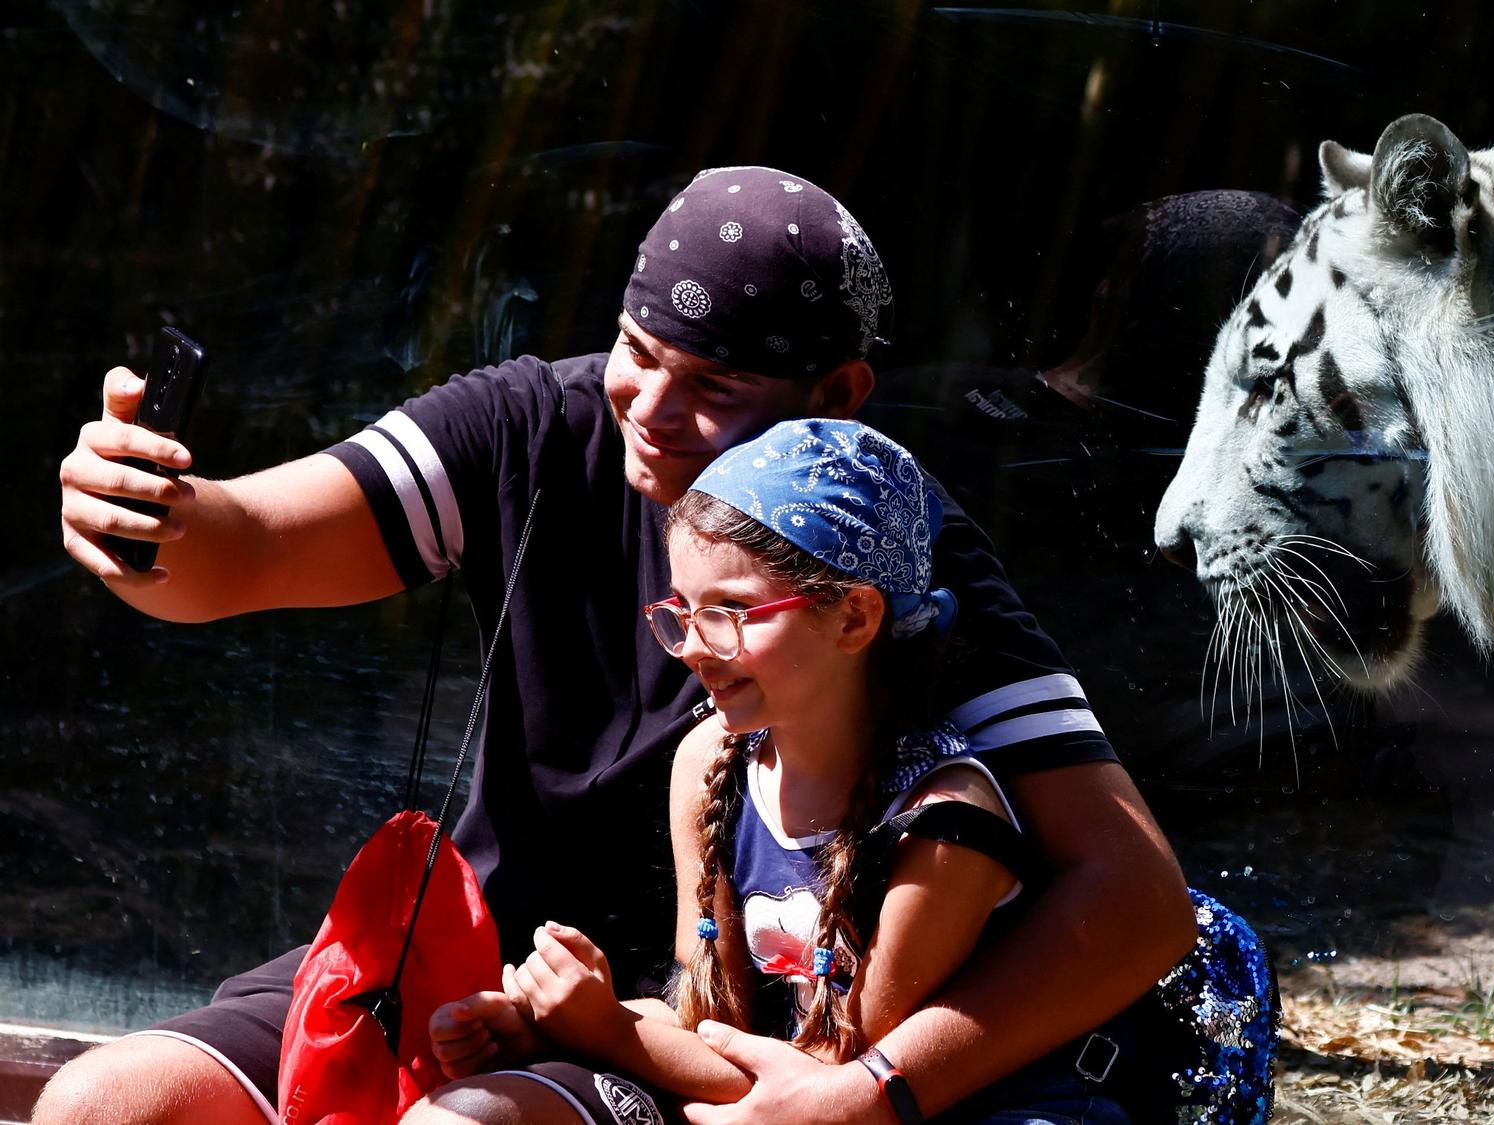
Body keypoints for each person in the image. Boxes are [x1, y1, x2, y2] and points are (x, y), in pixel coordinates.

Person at [43, 167, 1194, 1125]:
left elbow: (1135, 896)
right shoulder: (531, 425)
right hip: (456, 954)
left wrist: (876, 1090)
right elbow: (245, 552)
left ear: (837, 396)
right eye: (635, 350)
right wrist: (152, 523)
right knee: (99, 1103)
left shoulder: (884, 550)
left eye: (713, 385)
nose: (645, 406)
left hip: (660, 1031)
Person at [427, 418, 1137, 1123]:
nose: (692, 647)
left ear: (855, 617)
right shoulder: (710, 763)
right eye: (681, 611)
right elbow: (711, 1014)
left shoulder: (945, 824)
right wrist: (556, 1018)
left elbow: (822, 1087)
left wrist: (610, 1031)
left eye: (731, 610)